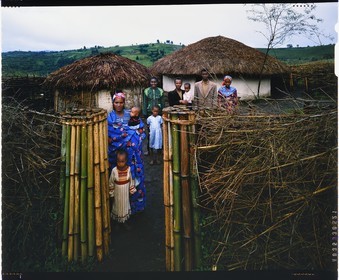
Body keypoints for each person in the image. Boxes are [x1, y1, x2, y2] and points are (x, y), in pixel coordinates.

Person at [107, 92, 147, 215]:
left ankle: (134, 208)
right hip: (117, 156)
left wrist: (127, 133)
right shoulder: (110, 117)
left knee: (134, 180)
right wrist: (127, 134)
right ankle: (119, 210)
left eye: (121, 102)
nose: (118, 105)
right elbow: (110, 133)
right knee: (119, 183)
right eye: (116, 102)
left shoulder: (130, 114)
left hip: (132, 155)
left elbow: (140, 129)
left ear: (124, 103)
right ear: (113, 103)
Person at [109, 149, 136, 229]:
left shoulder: (129, 170)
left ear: (126, 160)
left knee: (125, 207)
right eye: (118, 161)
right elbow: (111, 182)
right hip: (117, 194)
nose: (120, 164)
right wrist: (112, 193)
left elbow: (131, 181)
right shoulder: (114, 171)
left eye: (122, 161)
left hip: (125, 195)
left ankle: (124, 222)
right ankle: (117, 222)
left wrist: (131, 191)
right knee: (117, 207)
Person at [142, 77, 164, 155]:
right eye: (152, 82)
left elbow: (162, 102)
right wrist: (144, 113)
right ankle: (149, 149)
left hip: (158, 114)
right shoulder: (146, 91)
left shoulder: (160, 91)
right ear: (150, 83)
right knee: (149, 133)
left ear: (157, 83)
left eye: (155, 82)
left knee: (159, 133)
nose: (153, 83)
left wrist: (162, 112)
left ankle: (160, 149)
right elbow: (144, 102)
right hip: (149, 113)